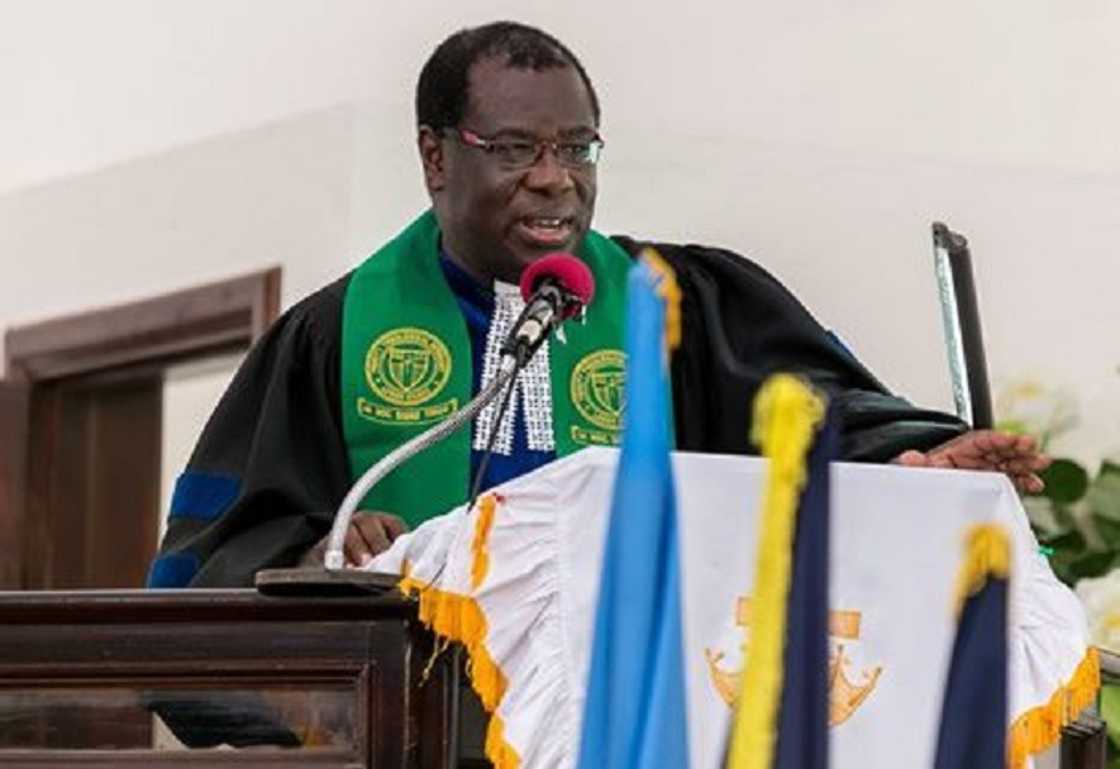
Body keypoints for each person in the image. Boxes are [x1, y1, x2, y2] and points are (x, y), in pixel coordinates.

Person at [148, 21, 1048, 589]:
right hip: (415, 722)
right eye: (513, 148)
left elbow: (809, 419)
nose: (555, 180)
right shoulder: (334, 334)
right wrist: (322, 555)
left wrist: (919, 459)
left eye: (578, 147)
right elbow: (217, 556)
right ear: (434, 158)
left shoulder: (678, 305)